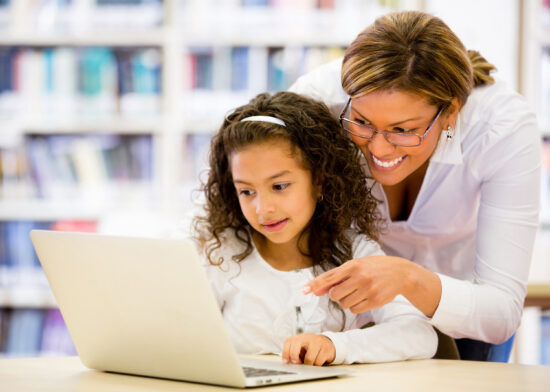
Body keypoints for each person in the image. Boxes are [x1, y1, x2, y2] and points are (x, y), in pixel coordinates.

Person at [289, 10, 541, 361]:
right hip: (357, 318)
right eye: (362, 122)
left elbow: (500, 313)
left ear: (450, 112)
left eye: (404, 129)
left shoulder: (501, 127)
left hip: (466, 312)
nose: (378, 148)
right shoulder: (319, 102)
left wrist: (409, 279)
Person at [193, 91, 437, 366]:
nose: (263, 209)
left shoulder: (354, 253)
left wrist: (336, 346)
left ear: (319, 180)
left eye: (279, 186)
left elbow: (419, 335)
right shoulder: (220, 252)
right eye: (247, 191)